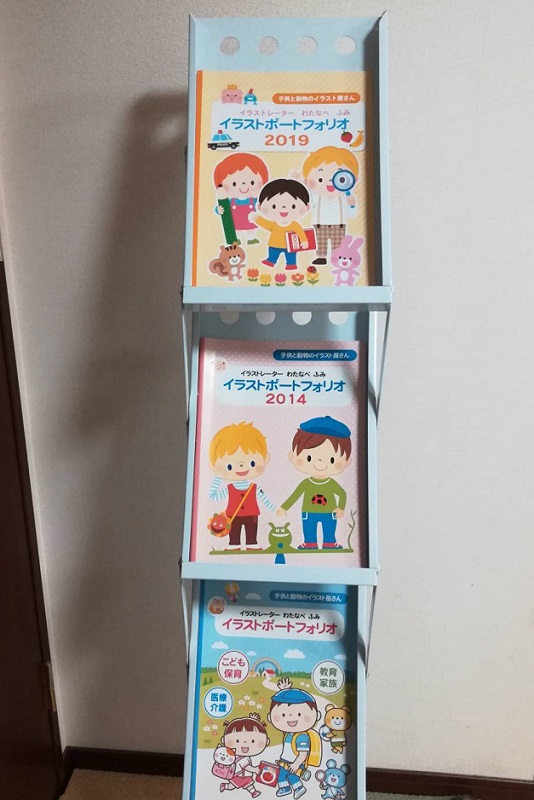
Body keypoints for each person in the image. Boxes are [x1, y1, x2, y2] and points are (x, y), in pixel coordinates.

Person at [278, 416, 351, 549]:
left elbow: (342, 494)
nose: (320, 463)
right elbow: (295, 495)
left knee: (329, 529)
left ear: (347, 461)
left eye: (332, 460)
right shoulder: (306, 483)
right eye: (309, 458)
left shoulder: (331, 484)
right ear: (293, 456)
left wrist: (340, 508)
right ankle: (310, 543)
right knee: (309, 529)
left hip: (329, 512)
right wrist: (284, 507)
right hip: (308, 512)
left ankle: (329, 542)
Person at [209, 422, 276, 550]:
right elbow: (213, 496)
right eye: (230, 466)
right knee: (234, 533)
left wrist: (275, 510)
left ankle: (252, 544)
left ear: (265, 459)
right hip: (233, 515)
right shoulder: (229, 488)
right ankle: (234, 545)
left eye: (252, 463)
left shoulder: (255, 488)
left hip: (252, 514)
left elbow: (265, 500)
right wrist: (218, 477)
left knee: (251, 532)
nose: (241, 466)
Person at [300, 147, 359, 266]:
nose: (330, 182)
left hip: (339, 225)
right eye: (320, 179)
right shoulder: (315, 197)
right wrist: (299, 182)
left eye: (339, 179)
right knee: (320, 242)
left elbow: (352, 215)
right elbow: (307, 204)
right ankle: (321, 256)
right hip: (319, 224)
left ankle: (337, 256)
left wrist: (352, 205)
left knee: (338, 243)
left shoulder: (345, 197)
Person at [267, 678, 322, 798]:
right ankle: (285, 788)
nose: (291, 717)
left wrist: (296, 764)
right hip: (285, 761)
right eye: (283, 715)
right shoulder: (288, 733)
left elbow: (303, 753)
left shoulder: (301, 736)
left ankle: (299, 788)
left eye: (299, 714)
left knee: (292, 776)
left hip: (296, 762)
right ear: (270, 717)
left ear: (316, 716)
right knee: (280, 775)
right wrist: (285, 691)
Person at [249, 178, 310, 270]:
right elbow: (266, 224)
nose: (284, 208)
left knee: (291, 255)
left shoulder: (295, 225)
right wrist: (257, 219)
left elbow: (300, 232)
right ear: (260, 206)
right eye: (274, 206)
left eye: (293, 206)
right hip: (274, 244)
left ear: (307, 207)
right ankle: (271, 261)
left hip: (290, 246)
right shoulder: (274, 224)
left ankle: (291, 264)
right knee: (272, 253)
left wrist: (304, 240)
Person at [214, 153, 269, 245]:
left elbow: (261, 207)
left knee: (251, 230)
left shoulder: (254, 200)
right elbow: (221, 208)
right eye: (234, 184)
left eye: (252, 182)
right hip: (236, 221)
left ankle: (251, 238)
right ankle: (237, 238)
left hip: (250, 221)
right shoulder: (230, 201)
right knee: (237, 231)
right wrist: (218, 210)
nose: (243, 186)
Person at [220, 713, 270, 797]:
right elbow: (246, 767)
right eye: (237, 741)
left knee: (248, 784)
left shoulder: (242, 756)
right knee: (234, 786)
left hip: (243, 776)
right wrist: (255, 770)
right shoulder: (243, 758)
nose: (245, 743)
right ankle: (225, 786)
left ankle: (253, 792)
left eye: (253, 741)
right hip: (239, 776)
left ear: (267, 741)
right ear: (223, 740)